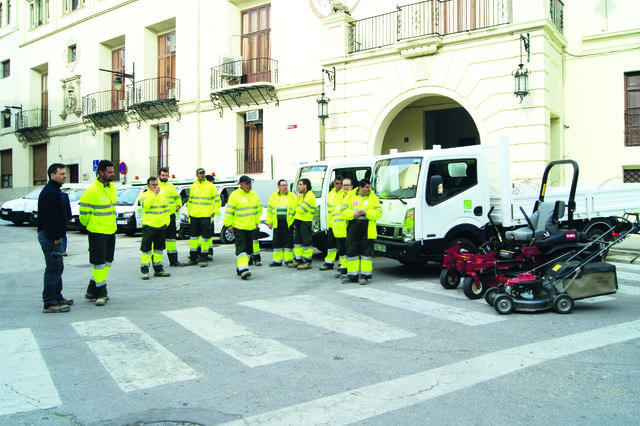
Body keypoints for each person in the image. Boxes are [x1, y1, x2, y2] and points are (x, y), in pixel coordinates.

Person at [79, 159, 117, 306]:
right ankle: (102, 292)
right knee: (99, 263)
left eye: (113, 171)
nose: (113, 174)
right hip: (96, 232)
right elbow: (84, 217)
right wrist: (93, 226)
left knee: (107, 262)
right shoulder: (91, 191)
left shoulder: (112, 188)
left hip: (110, 231)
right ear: (100, 173)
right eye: (109, 172)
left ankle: (91, 289)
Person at [37, 163, 73, 313]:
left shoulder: (54, 190)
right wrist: (56, 237)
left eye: (65, 173)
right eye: (62, 173)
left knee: (58, 266)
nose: (65, 176)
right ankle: (49, 302)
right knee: (53, 267)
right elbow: (49, 218)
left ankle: (57, 296)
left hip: (53, 236)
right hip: (50, 236)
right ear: (52, 175)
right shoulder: (50, 192)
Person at [341, 178, 382, 285]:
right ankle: (352, 275)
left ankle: (365, 276)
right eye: (366, 187)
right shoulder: (350, 196)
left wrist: (367, 212)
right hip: (353, 226)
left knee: (366, 253)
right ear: (360, 187)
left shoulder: (373, 198)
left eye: (369, 187)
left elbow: (379, 213)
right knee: (352, 251)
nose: (368, 189)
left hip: (367, 227)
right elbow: (343, 211)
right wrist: (352, 214)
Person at [224, 175, 262, 279]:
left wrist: (256, 222)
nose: (250, 186)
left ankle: (240, 267)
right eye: (248, 183)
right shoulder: (234, 195)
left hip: (250, 226)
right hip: (239, 226)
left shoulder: (254, 195)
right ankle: (244, 270)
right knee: (241, 249)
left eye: (250, 183)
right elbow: (229, 211)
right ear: (242, 185)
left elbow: (258, 210)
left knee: (249, 250)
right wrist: (229, 224)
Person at [186, 168, 221, 267]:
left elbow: (218, 201)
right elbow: (190, 202)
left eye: (203, 173)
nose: (202, 175)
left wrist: (214, 211)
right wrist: (189, 213)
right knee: (193, 238)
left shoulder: (210, 186)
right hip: (194, 216)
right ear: (196, 175)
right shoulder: (193, 186)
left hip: (206, 216)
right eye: (200, 173)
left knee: (205, 238)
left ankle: (204, 258)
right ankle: (193, 258)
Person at [139, 177, 171, 280]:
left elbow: (166, 210)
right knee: (146, 250)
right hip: (149, 226)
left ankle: (158, 269)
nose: (155, 187)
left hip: (161, 226)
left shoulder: (162, 196)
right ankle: (144, 270)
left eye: (157, 185)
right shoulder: (144, 195)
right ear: (148, 186)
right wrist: (154, 194)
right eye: (153, 185)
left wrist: (166, 223)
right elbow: (146, 206)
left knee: (158, 250)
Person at [266, 179, 297, 267]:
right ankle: (277, 261)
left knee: (288, 242)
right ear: (278, 187)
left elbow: (296, 209)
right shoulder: (274, 196)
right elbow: (269, 210)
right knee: (277, 242)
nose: (285, 187)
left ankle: (288, 260)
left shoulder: (292, 196)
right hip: (277, 223)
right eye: (283, 185)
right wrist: (269, 221)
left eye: (286, 185)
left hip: (288, 223)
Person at [158, 167, 184, 266]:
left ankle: (173, 261)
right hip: (160, 217)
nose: (164, 177)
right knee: (159, 241)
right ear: (159, 176)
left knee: (171, 239)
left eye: (166, 175)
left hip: (170, 216)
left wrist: (178, 205)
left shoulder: (171, 186)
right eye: (163, 175)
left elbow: (177, 197)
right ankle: (157, 263)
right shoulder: (156, 186)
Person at [289, 178, 316, 270]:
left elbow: (301, 209)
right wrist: (298, 197)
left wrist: (296, 210)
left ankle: (307, 261)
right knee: (297, 242)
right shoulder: (302, 196)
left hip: (305, 221)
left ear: (305, 186)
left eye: (300, 184)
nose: (298, 186)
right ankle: (298, 260)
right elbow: (294, 207)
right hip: (299, 221)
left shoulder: (310, 196)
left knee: (306, 242)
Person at [332, 177, 354, 279]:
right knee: (341, 253)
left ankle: (349, 270)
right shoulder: (339, 197)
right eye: (343, 185)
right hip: (338, 230)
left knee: (348, 252)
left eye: (347, 185)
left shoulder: (353, 198)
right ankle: (343, 268)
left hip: (347, 230)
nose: (344, 187)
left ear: (351, 186)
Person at [319, 175, 342, 270]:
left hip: (341, 225)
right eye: (337, 183)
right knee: (331, 245)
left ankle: (342, 264)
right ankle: (329, 262)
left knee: (342, 246)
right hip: (331, 224)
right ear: (333, 184)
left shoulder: (345, 194)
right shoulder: (331, 194)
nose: (339, 185)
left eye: (341, 183)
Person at [60, 190, 71, 256]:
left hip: (63, 218)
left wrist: (69, 217)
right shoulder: (51, 195)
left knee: (63, 234)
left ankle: (63, 250)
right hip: (54, 218)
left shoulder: (64, 195)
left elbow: (68, 207)